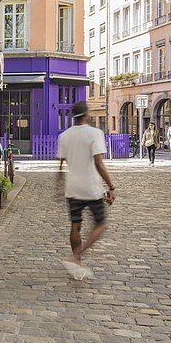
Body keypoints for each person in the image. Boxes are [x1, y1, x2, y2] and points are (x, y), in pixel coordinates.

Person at [57, 101, 116, 280]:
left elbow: (60, 165)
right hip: (91, 187)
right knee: (101, 223)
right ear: (86, 114)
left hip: (73, 187)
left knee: (75, 226)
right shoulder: (95, 133)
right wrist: (111, 187)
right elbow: (99, 163)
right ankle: (76, 257)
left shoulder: (65, 136)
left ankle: (78, 263)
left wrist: (59, 188)